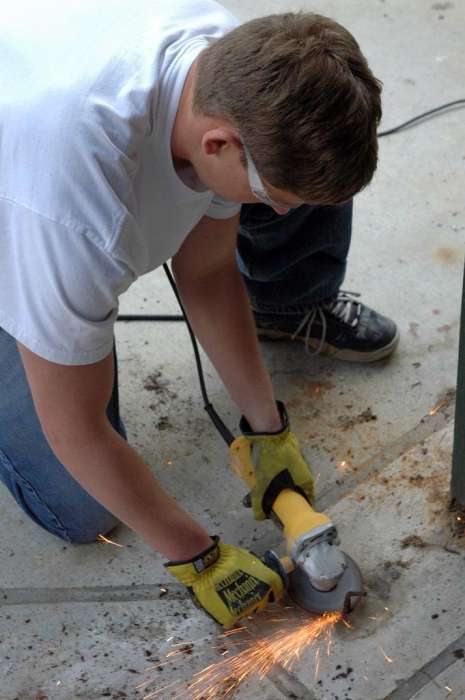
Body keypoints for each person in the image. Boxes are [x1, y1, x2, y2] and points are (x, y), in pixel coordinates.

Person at [0, 1, 396, 628]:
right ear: (217, 144)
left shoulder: (232, 68)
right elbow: (71, 425)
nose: (283, 218)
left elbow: (208, 271)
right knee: (81, 508)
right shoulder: (71, 205)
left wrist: (267, 428)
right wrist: (198, 557)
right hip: (18, 196)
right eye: (275, 200)